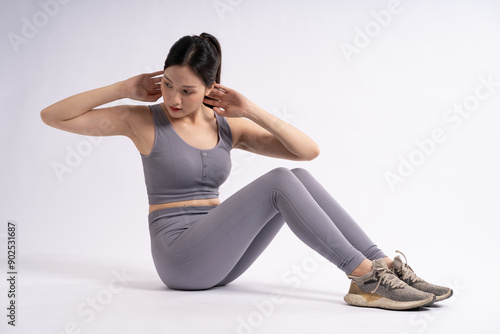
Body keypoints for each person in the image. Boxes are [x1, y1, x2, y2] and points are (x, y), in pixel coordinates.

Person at [40, 32, 452, 310]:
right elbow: (52, 116)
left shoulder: (226, 126)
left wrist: (250, 109)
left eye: (187, 90)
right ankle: (365, 278)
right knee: (276, 184)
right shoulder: (142, 120)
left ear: (211, 88)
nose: (174, 99)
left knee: (296, 179)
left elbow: (308, 152)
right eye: (168, 85)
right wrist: (121, 89)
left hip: (220, 259)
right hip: (179, 258)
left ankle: (381, 267)